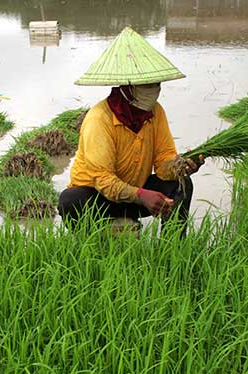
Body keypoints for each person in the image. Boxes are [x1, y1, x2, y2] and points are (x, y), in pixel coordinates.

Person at [58, 27, 204, 232]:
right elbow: (105, 182)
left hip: (134, 195)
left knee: (182, 184)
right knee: (70, 200)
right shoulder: (99, 120)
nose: (153, 89)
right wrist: (142, 195)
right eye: (145, 84)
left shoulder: (155, 112)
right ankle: (99, 237)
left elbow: (163, 164)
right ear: (126, 88)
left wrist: (180, 167)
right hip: (99, 198)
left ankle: (173, 252)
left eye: (155, 83)